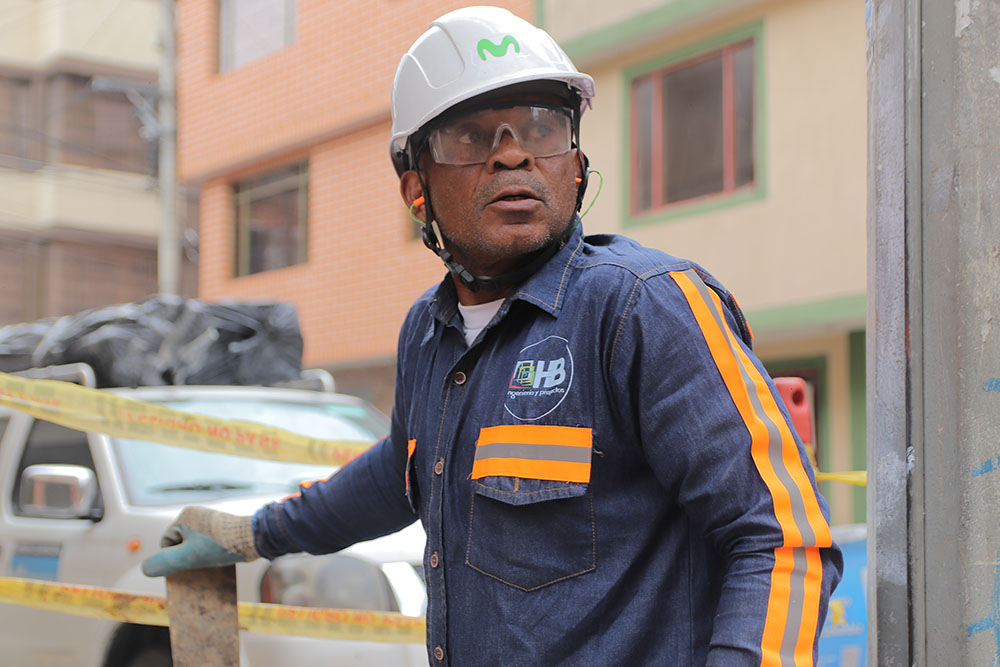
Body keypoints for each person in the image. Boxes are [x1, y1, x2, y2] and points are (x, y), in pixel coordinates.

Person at [143, 6, 842, 665]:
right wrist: (251, 533)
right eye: (471, 137)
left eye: (541, 128)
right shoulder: (427, 332)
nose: (513, 156)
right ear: (416, 191)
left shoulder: (643, 307)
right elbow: (400, 473)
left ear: (575, 164)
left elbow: (783, 541)